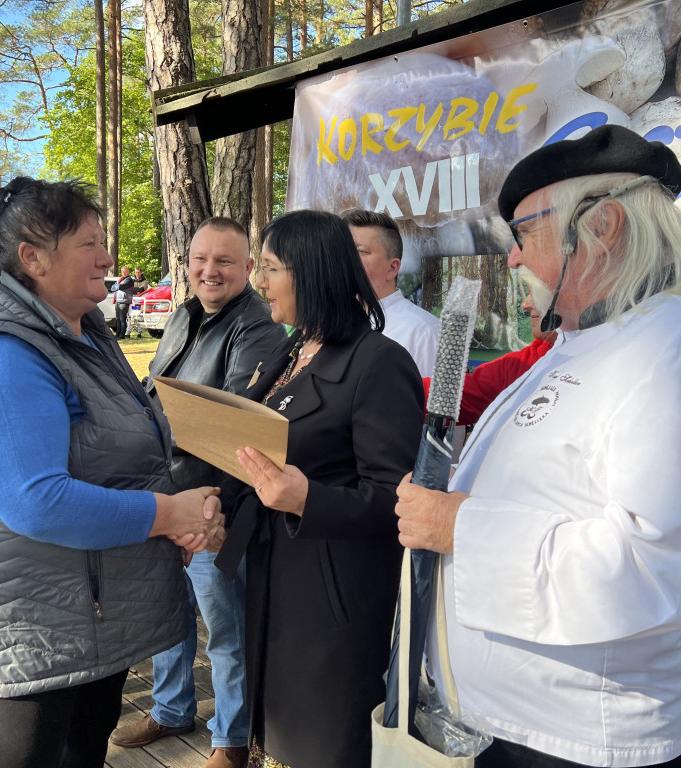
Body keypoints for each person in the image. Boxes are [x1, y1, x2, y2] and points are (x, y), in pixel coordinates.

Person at [394, 125, 681, 768]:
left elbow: (669, 560)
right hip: (516, 729)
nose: (512, 258)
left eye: (524, 234)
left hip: (588, 743)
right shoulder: (582, 342)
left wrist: (462, 525)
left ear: (601, 226)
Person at [0, 176, 225, 768]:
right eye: (88, 244)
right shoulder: (2, 350)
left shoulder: (85, 333)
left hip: (93, 620)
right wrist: (169, 514)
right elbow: (36, 500)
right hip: (23, 632)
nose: (107, 257)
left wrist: (185, 517)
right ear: (32, 259)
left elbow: (123, 459)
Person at [214, 209, 424, 768]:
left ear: (313, 272)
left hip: (333, 603)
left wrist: (310, 499)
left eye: (272, 267)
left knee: (320, 742)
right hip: (273, 577)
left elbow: (395, 499)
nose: (260, 281)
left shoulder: (379, 363)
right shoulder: (291, 350)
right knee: (275, 733)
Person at [110, 218, 286, 768]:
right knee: (169, 614)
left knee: (225, 629)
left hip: (217, 503)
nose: (209, 271)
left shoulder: (257, 327)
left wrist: (212, 509)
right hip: (168, 494)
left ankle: (231, 740)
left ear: (249, 268)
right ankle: (170, 708)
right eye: (199, 259)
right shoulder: (184, 316)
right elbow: (155, 393)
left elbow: (232, 427)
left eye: (225, 261)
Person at [423, 293, 556, 425]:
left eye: (538, 292)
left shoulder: (533, 362)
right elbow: (460, 395)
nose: (525, 305)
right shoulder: (526, 362)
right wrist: (405, 384)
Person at [343, 208, 440, 378]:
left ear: (392, 267)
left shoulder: (424, 332)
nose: (345, 260)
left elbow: (429, 403)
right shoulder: (332, 325)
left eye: (359, 252)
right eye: (342, 251)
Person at [114, 266, 134, 339]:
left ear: (128, 272)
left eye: (125, 271)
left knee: (122, 319)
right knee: (118, 319)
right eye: (122, 272)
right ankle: (117, 334)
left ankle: (122, 335)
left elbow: (121, 287)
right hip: (118, 301)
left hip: (124, 301)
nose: (123, 273)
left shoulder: (129, 280)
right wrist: (117, 286)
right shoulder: (120, 279)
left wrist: (117, 286)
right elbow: (113, 287)